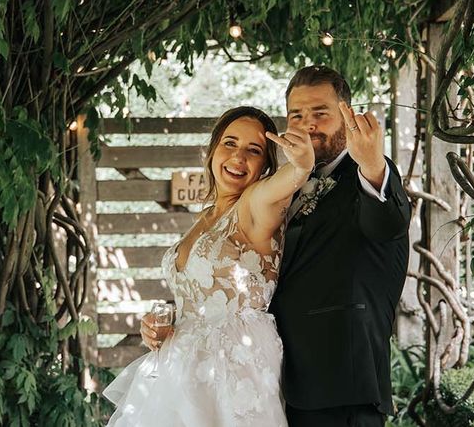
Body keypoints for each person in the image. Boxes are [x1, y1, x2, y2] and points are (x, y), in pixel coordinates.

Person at [142, 66, 412, 427]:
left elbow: (388, 225)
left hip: (339, 379)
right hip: (270, 376)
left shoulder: (368, 175)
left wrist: (375, 165)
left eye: (320, 113)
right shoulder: (289, 187)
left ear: (347, 115)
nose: (308, 124)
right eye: (297, 115)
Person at [105, 105, 314, 427]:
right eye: (229, 143)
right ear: (213, 149)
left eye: (253, 150)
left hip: (231, 374)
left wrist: (301, 164)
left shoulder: (256, 204)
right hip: (180, 372)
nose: (238, 157)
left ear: (265, 167)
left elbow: (291, 177)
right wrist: (164, 324)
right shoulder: (205, 217)